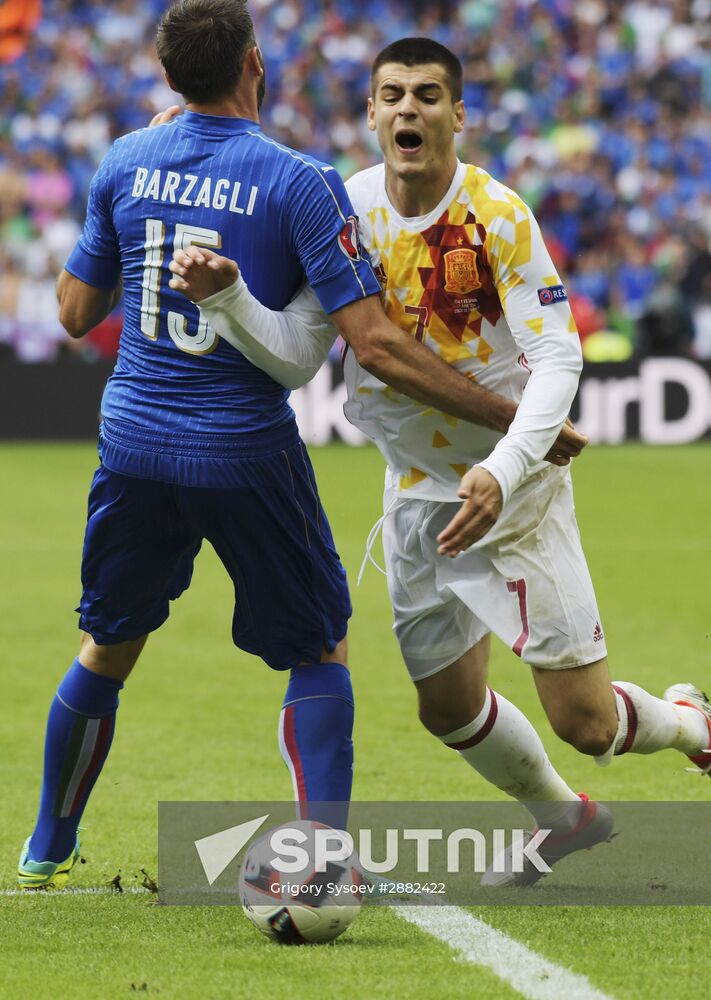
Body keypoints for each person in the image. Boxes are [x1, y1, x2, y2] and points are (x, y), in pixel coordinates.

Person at [167, 36, 711, 884]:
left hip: (513, 488)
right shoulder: (341, 210)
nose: (406, 109)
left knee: (586, 726)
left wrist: (506, 465)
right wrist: (227, 298)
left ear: (457, 114)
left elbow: (558, 358)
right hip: (415, 490)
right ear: (370, 112)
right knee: (445, 708)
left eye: (425, 95)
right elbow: (298, 353)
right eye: (391, 95)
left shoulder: (497, 215)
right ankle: (566, 820)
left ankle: (687, 725)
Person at [16, 3, 585, 892]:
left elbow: (76, 313)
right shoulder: (300, 182)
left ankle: (46, 846)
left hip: (132, 441)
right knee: (318, 651)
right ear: (254, 63)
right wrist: (512, 421)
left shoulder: (126, 159)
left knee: (108, 644)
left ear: (169, 76)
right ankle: (324, 860)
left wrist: (139, 196)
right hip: (242, 450)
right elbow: (371, 346)